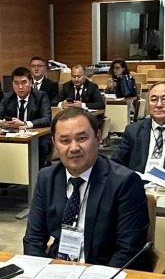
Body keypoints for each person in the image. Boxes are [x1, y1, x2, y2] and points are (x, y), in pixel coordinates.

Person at [23, 107, 149, 267]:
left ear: (97, 137)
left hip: (104, 270)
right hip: (60, 269)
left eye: (82, 138)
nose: (74, 148)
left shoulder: (125, 182)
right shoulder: (47, 178)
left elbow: (129, 250)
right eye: (65, 141)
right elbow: (33, 240)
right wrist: (40, 274)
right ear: (54, 143)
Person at [0, 66, 52, 131]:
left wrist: (24, 124)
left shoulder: (41, 96)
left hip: (35, 135)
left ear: (30, 83)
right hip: (12, 135)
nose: (20, 87)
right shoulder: (8, 97)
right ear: (12, 84)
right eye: (16, 83)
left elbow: (47, 119)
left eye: (24, 83)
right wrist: (1, 123)